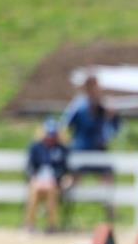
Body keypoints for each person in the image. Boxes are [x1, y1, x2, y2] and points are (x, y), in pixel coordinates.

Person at [63, 73, 122, 221]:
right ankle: (62, 212)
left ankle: (111, 216)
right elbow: (67, 124)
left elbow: (112, 128)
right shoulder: (79, 105)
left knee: (108, 178)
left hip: (98, 149)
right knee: (72, 180)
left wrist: (112, 116)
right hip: (81, 149)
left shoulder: (103, 105)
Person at [24, 119, 71, 233]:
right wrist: (34, 178)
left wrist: (55, 179)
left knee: (51, 193)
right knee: (34, 193)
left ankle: (51, 225)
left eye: (53, 134)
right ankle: (30, 224)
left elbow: (64, 168)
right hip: (38, 180)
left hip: (54, 182)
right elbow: (30, 166)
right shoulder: (35, 147)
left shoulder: (62, 149)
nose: (51, 137)